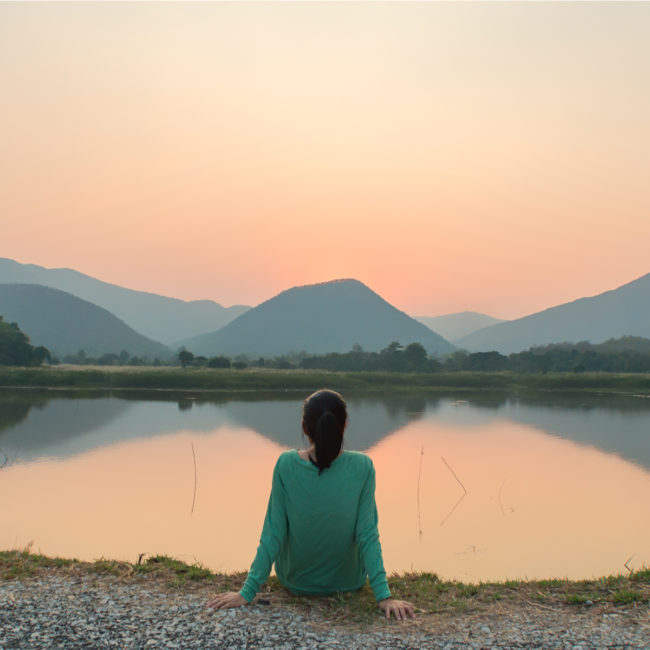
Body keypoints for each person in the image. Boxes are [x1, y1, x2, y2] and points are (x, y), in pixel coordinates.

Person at [207, 389, 415, 621]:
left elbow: (273, 532)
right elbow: (367, 534)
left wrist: (247, 592)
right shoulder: (363, 466)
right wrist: (383, 596)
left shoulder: (286, 464)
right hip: (348, 582)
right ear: (344, 425)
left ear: (304, 428)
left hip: (295, 581)